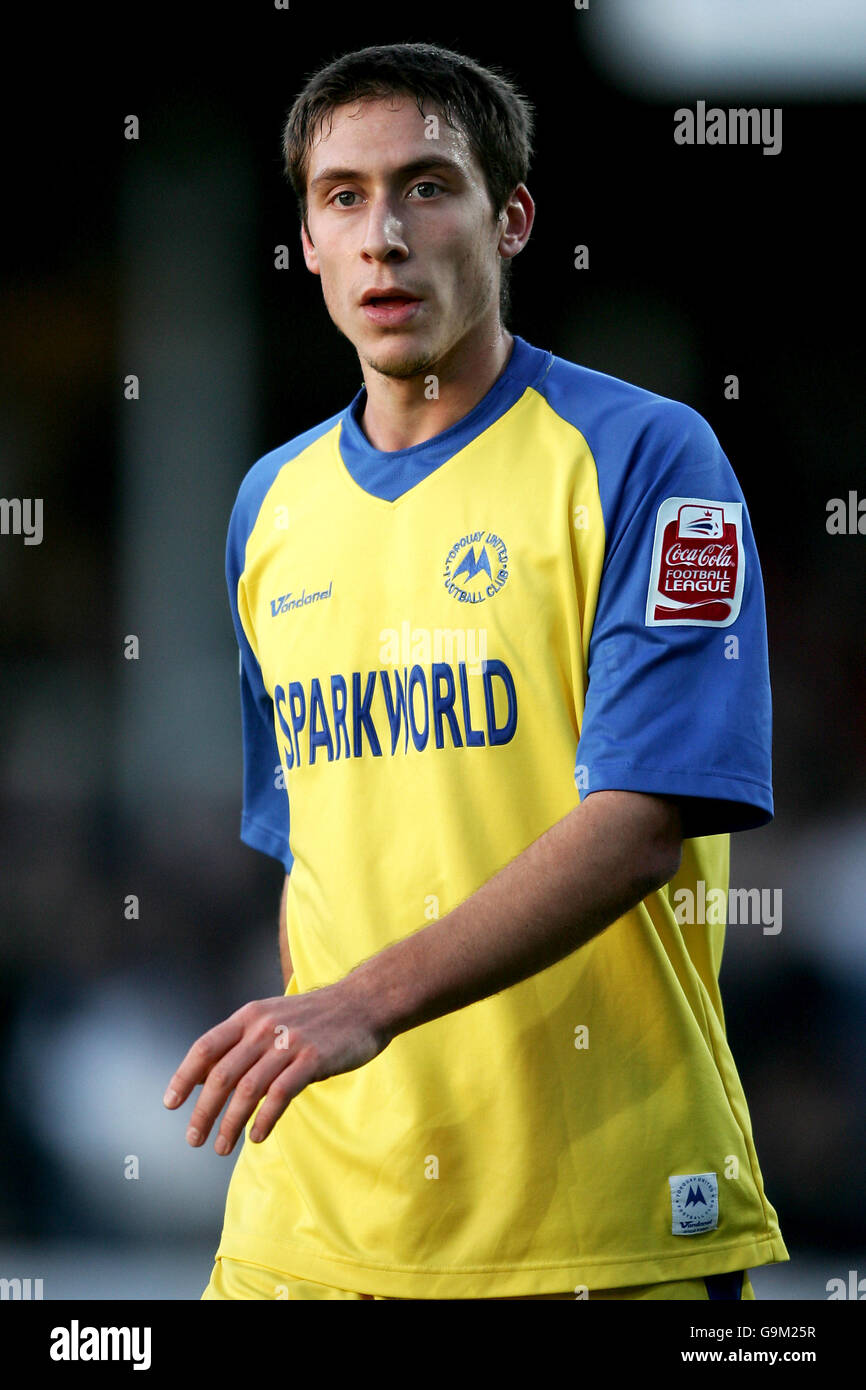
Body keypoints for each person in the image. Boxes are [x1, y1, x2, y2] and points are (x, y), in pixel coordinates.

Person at [164, 41, 788, 1300]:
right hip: (311, 1234)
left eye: (426, 186)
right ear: (307, 239)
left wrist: (362, 1005)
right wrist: (320, 1020)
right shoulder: (265, 506)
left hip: (595, 1221)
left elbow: (639, 824)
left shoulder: (647, 460)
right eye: (342, 196)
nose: (383, 234)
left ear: (509, 222)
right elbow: (309, 854)